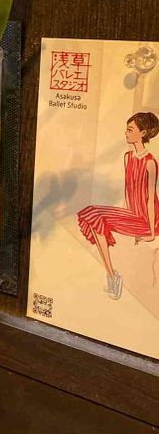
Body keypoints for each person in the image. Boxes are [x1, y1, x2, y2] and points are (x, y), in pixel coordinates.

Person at [78, 112, 159, 300]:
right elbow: (128, 190)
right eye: (127, 129)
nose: (126, 133)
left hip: (148, 219)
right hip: (132, 213)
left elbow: (150, 199)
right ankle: (112, 275)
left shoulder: (150, 163)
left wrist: (150, 232)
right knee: (90, 214)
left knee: (94, 216)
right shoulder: (127, 157)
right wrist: (123, 214)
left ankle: (112, 278)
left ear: (143, 133)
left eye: (130, 130)